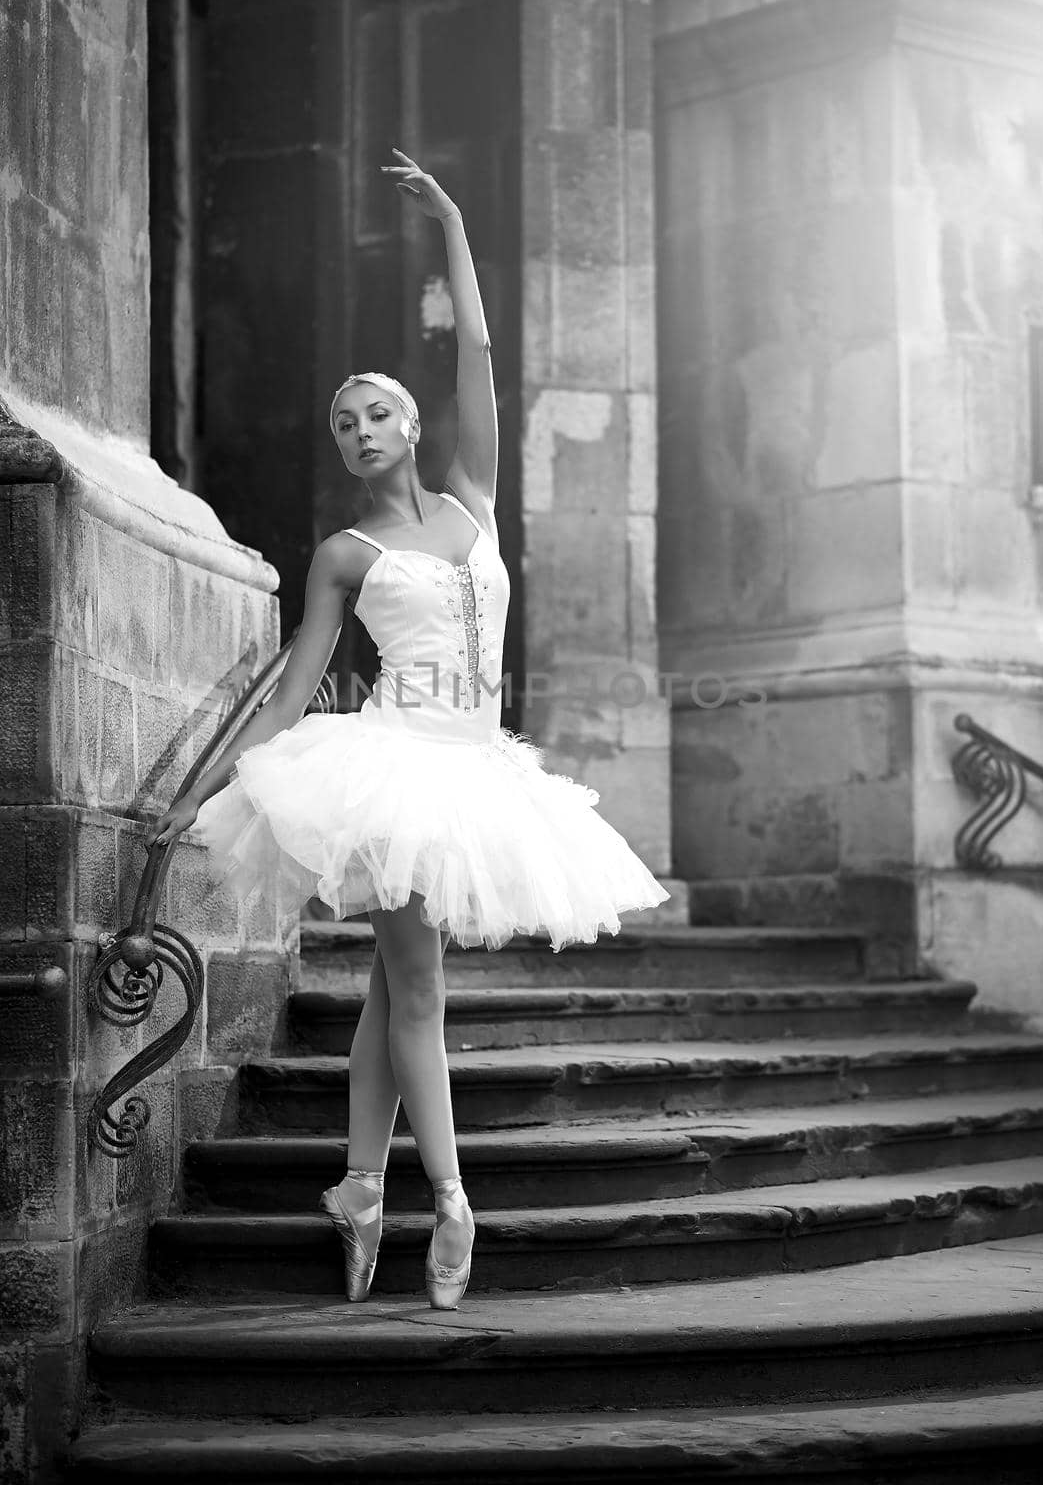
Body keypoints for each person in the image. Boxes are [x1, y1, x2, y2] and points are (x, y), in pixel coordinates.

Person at [144, 149, 671, 1311]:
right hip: (391, 767)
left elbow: (480, 354)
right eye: (344, 421)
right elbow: (292, 691)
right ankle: (453, 1199)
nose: (361, 427)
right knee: (419, 991)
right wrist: (203, 796)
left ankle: (360, 1187)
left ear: (415, 422)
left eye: (378, 409)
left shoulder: (474, 499)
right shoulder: (345, 554)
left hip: (480, 767)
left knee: (393, 992)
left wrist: (455, 226)